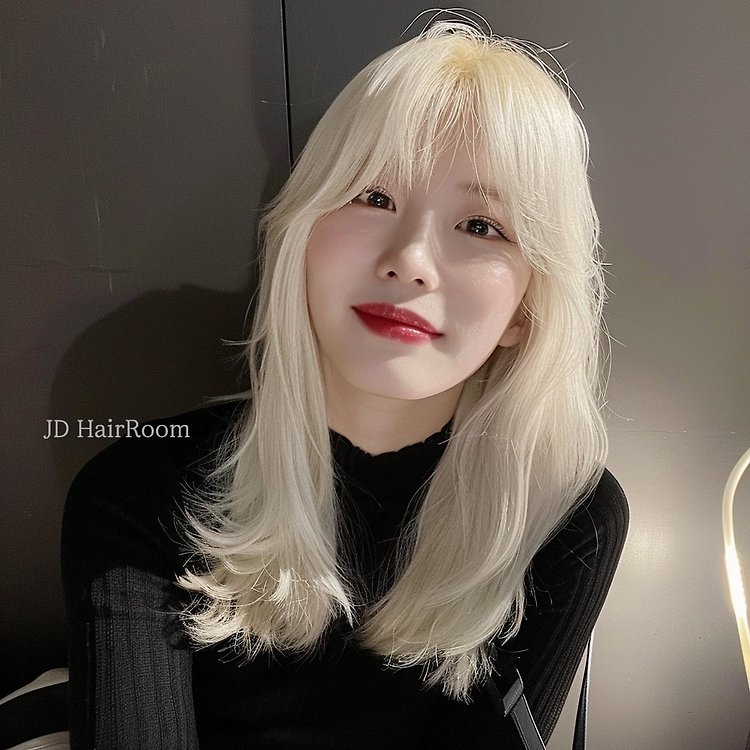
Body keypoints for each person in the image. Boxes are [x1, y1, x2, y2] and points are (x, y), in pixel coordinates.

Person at [62, 20, 628, 749]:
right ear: (300, 237)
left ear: (526, 308)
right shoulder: (139, 492)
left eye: (481, 226)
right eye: (373, 196)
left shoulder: (565, 517)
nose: (411, 260)